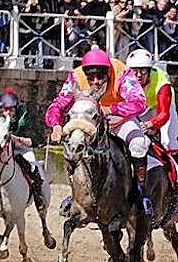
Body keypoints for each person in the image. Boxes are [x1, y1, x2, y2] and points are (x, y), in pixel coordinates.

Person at [45, 48, 151, 214]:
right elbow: (58, 104)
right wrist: (56, 125)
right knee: (73, 145)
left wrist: (111, 109)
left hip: (119, 118)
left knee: (138, 144)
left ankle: (140, 192)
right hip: (88, 120)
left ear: (108, 71)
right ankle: (74, 194)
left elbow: (139, 102)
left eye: (100, 77)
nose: (96, 82)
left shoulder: (122, 72)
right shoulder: (76, 76)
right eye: (91, 78)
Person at [0, 88, 47, 213]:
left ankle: (38, 198)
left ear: (15, 108)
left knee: (33, 168)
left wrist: (16, 138)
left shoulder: (25, 117)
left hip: (22, 149)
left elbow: (33, 139)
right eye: (5, 109)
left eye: (10, 109)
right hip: (4, 150)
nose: (7, 112)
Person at [126, 48, 178, 153]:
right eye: (135, 71)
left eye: (143, 70)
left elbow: (164, 114)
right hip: (142, 106)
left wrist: (150, 124)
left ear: (149, 70)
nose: (139, 75)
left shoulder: (162, 83)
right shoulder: (126, 79)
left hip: (161, 106)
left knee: (168, 141)